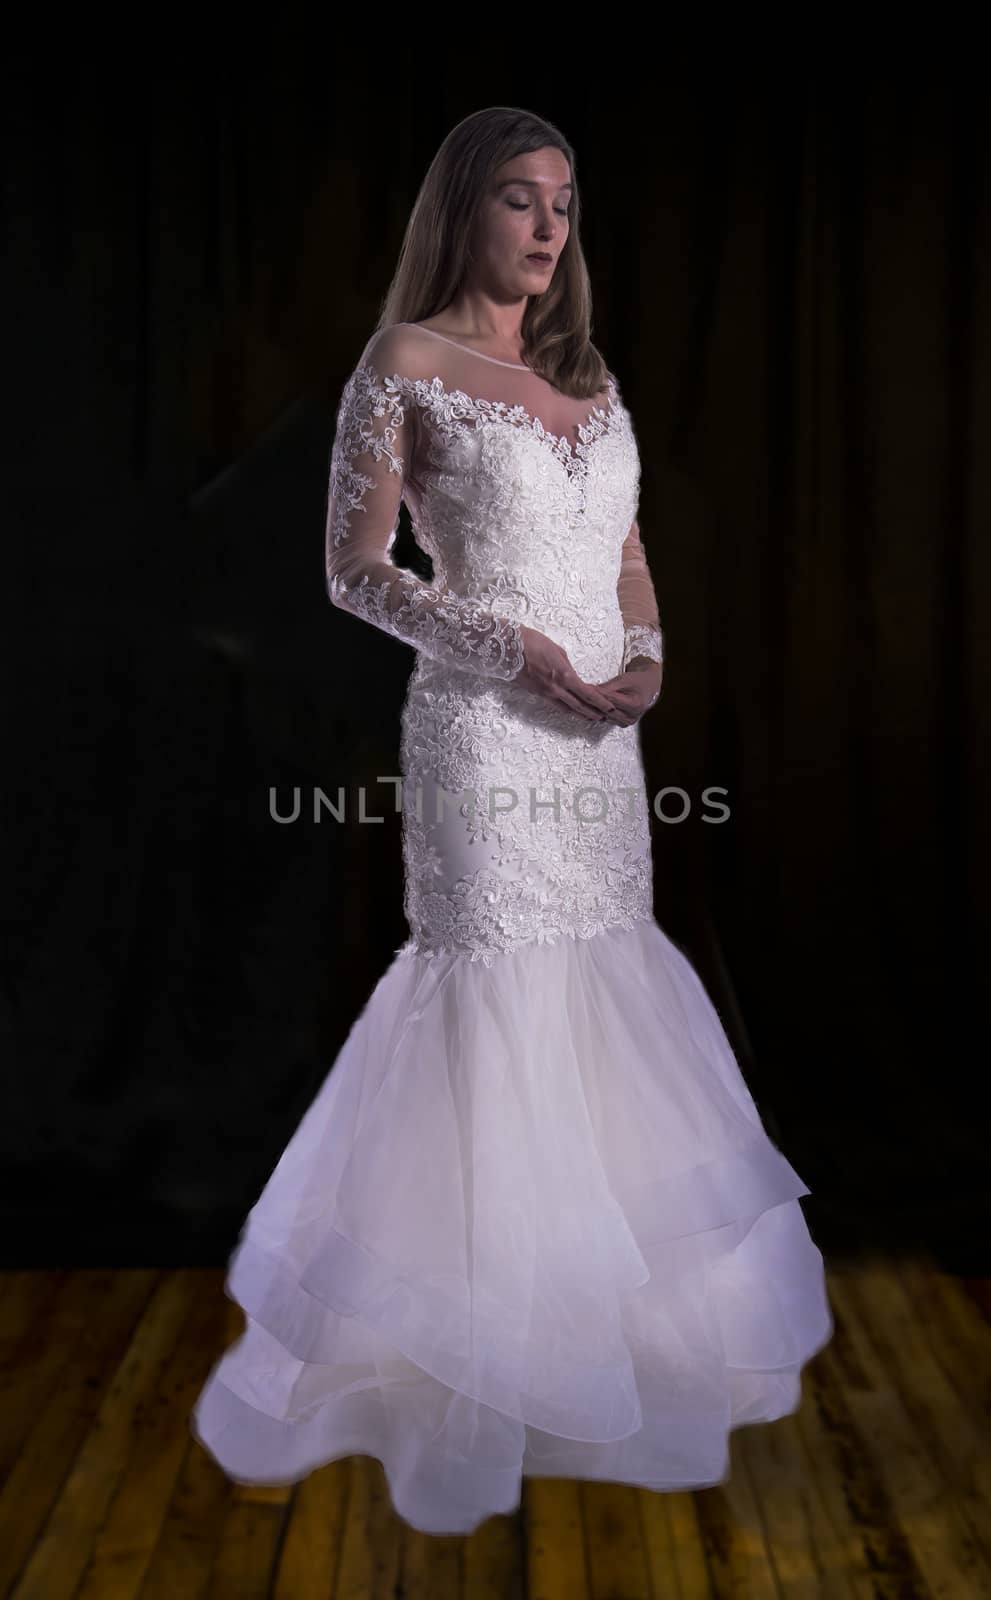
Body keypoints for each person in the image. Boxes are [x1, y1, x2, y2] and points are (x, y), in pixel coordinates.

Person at [191, 106, 833, 1537]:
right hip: (486, 736)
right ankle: (466, 1358)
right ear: (463, 213)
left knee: (604, 975)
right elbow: (356, 573)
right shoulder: (406, 361)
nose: (548, 230)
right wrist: (507, 650)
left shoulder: (587, 379)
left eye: (565, 205)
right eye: (520, 202)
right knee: (494, 999)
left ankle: (595, 1338)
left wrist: (649, 661)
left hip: (604, 742)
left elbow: (629, 553)